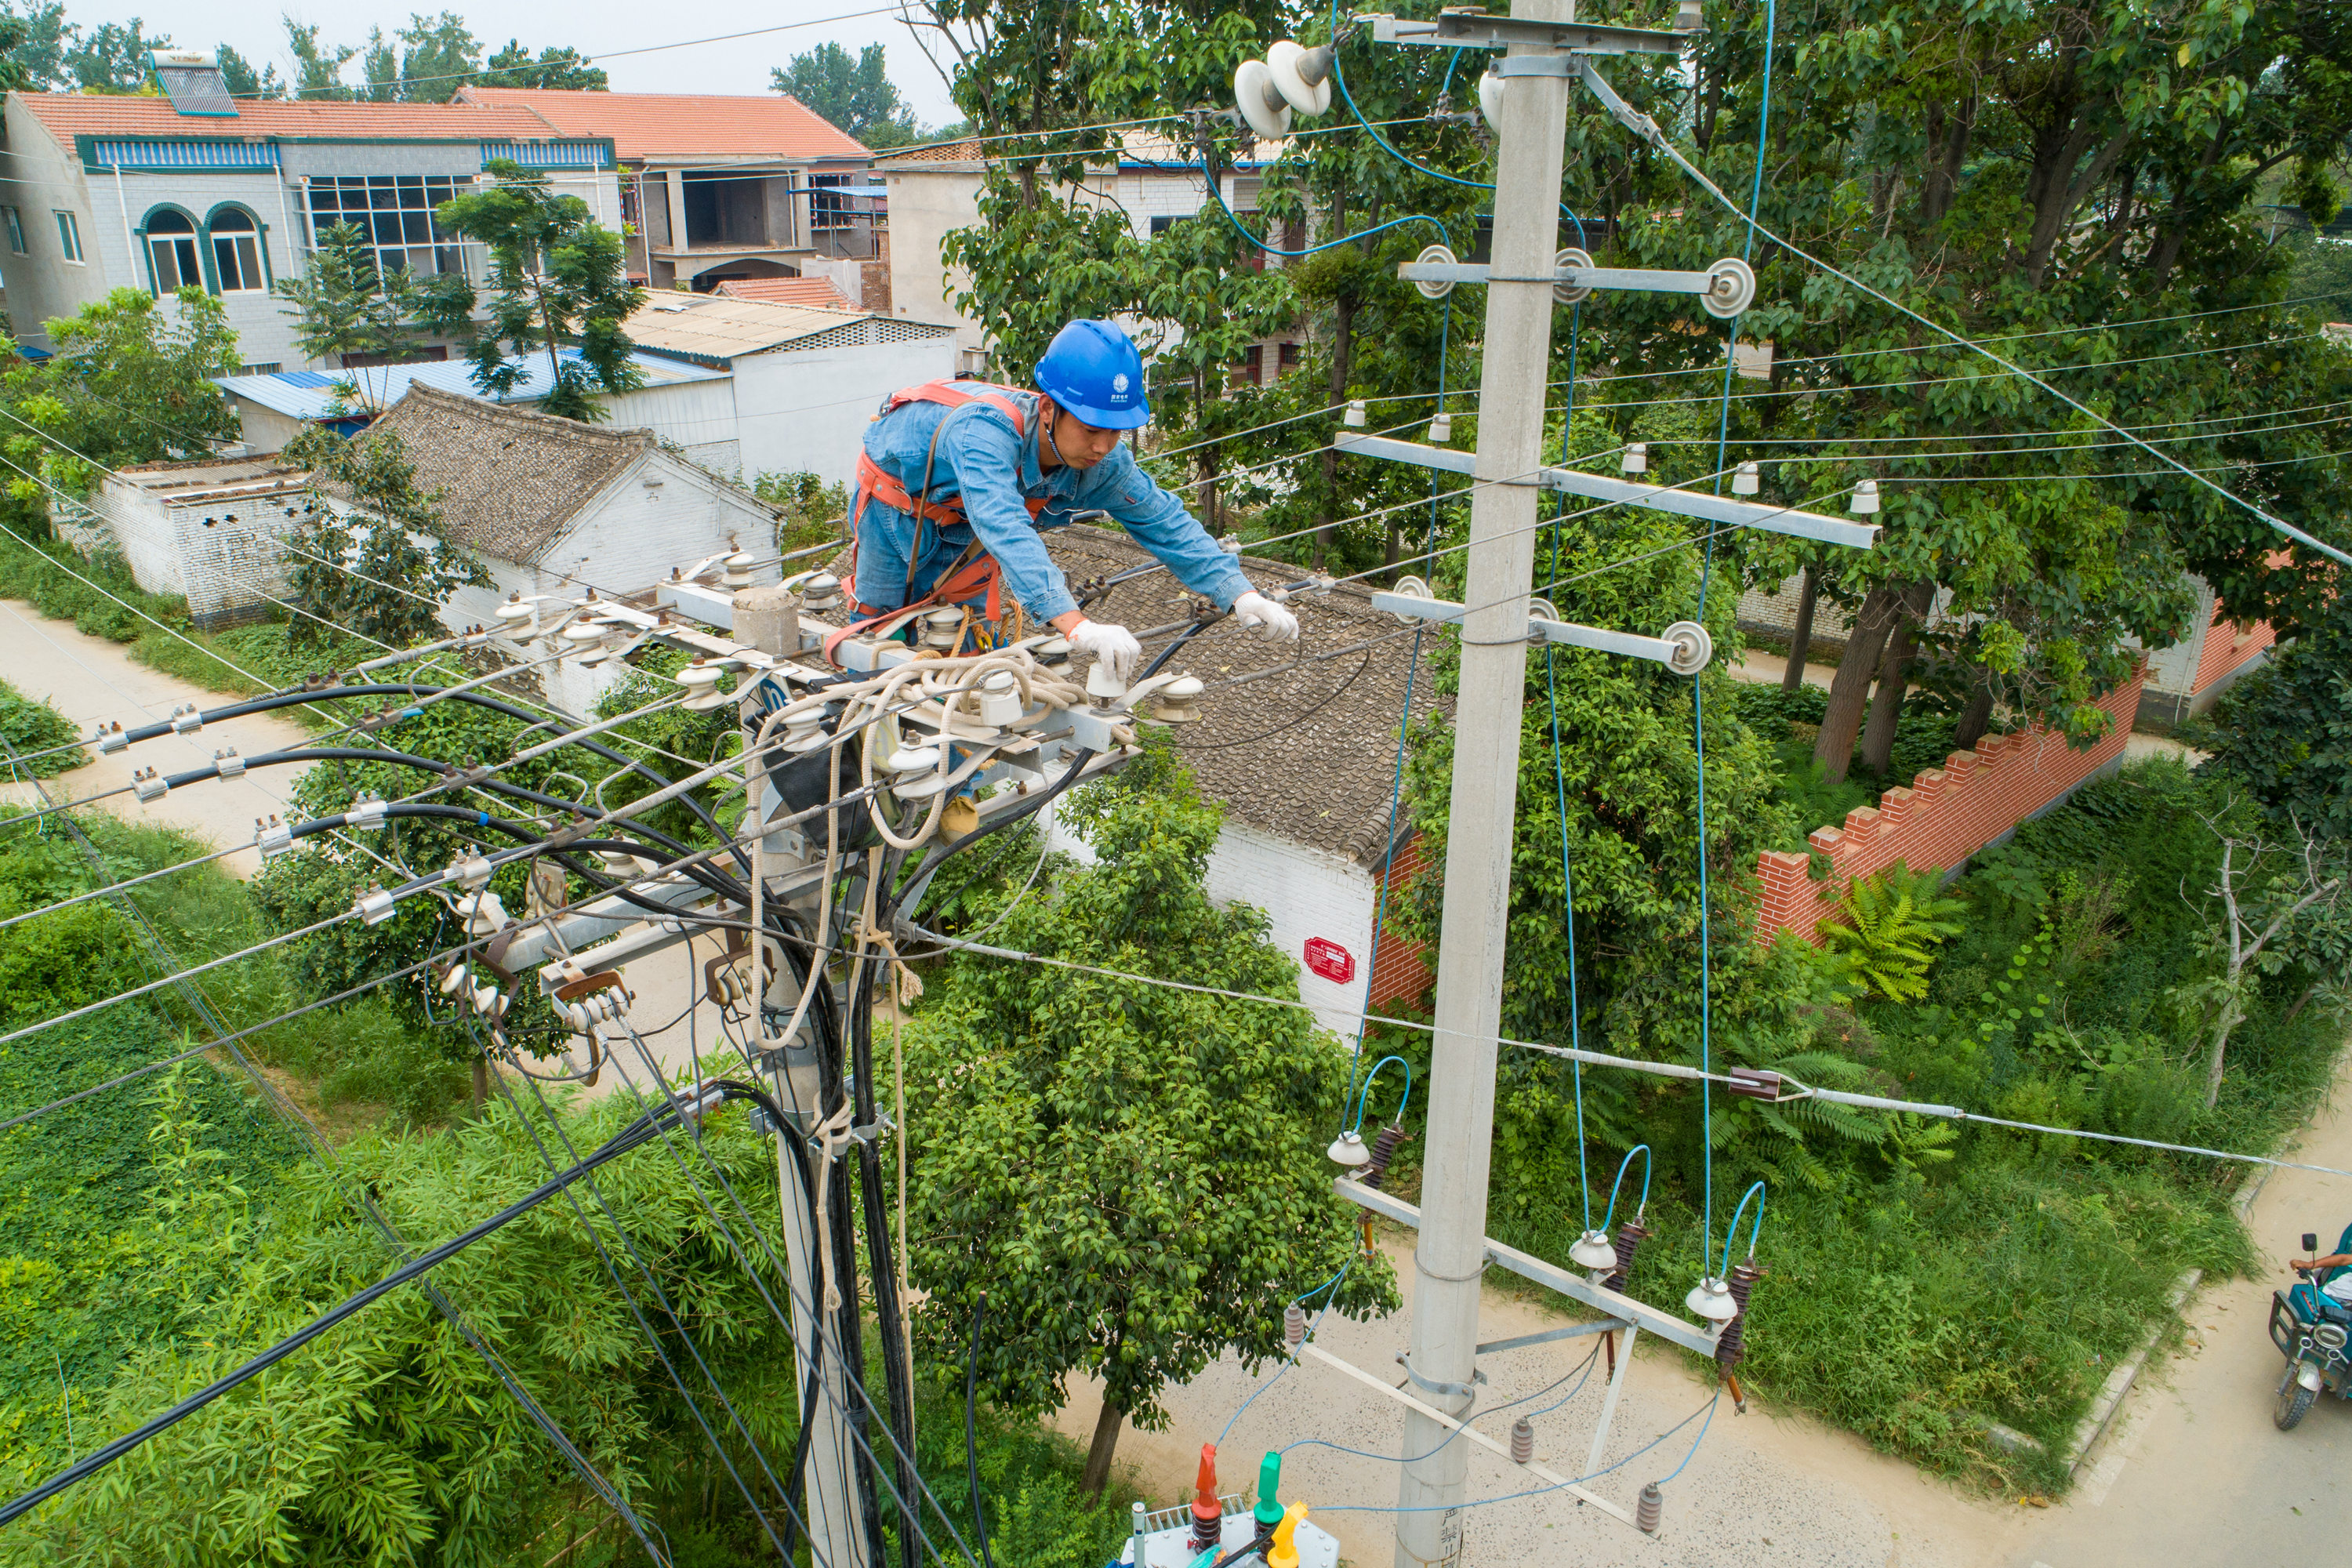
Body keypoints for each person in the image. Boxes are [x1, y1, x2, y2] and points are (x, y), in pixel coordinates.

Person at [844, 318, 1298, 680]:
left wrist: (1240, 594)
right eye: (1091, 429)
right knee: (878, 648)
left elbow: (1165, 522)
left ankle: (952, 763)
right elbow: (1004, 524)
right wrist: (1075, 625)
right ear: (1048, 408)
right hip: (897, 514)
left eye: (1116, 431)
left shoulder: (1102, 461)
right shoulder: (983, 433)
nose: (1103, 446)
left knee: (970, 666)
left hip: (969, 533)